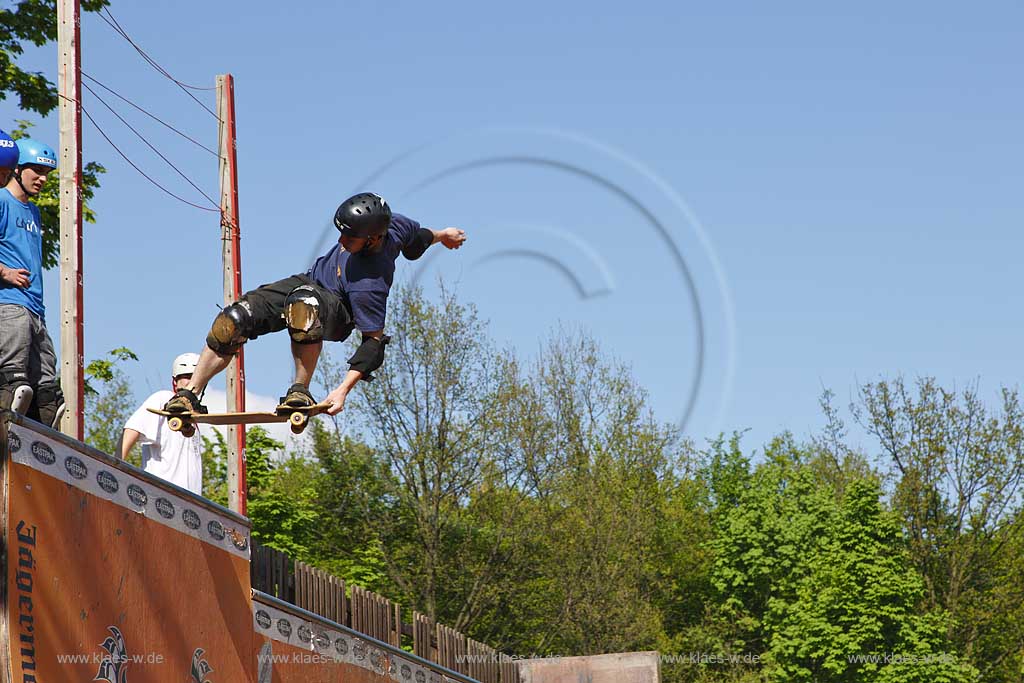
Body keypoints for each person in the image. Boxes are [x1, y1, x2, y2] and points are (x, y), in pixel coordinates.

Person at [162, 192, 466, 416]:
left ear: (373, 239)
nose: (342, 241)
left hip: (339, 311)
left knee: (303, 306)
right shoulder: (396, 224)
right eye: (342, 233)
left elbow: (374, 343)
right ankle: (190, 394)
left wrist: (343, 390)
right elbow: (420, 238)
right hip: (310, 280)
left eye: (351, 238)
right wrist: (445, 235)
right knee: (235, 318)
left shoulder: (370, 284)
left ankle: (300, 391)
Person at [0, 137, 63, 425]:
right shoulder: (2, 200)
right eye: (36, 171)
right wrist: (5, 272)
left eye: (46, 174)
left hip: (36, 309)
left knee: (48, 394)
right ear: (16, 169)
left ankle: (36, 453)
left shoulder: (34, 212)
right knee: (13, 383)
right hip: (10, 305)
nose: (42, 179)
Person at [122, 353, 204, 494]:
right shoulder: (163, 399)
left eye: (195, 377)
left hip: (190, 504)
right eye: (186, 376)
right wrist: (113, 466)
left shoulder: (193, 417)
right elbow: (131, 429)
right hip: (160, 498)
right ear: (175, 380)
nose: (191, 381)